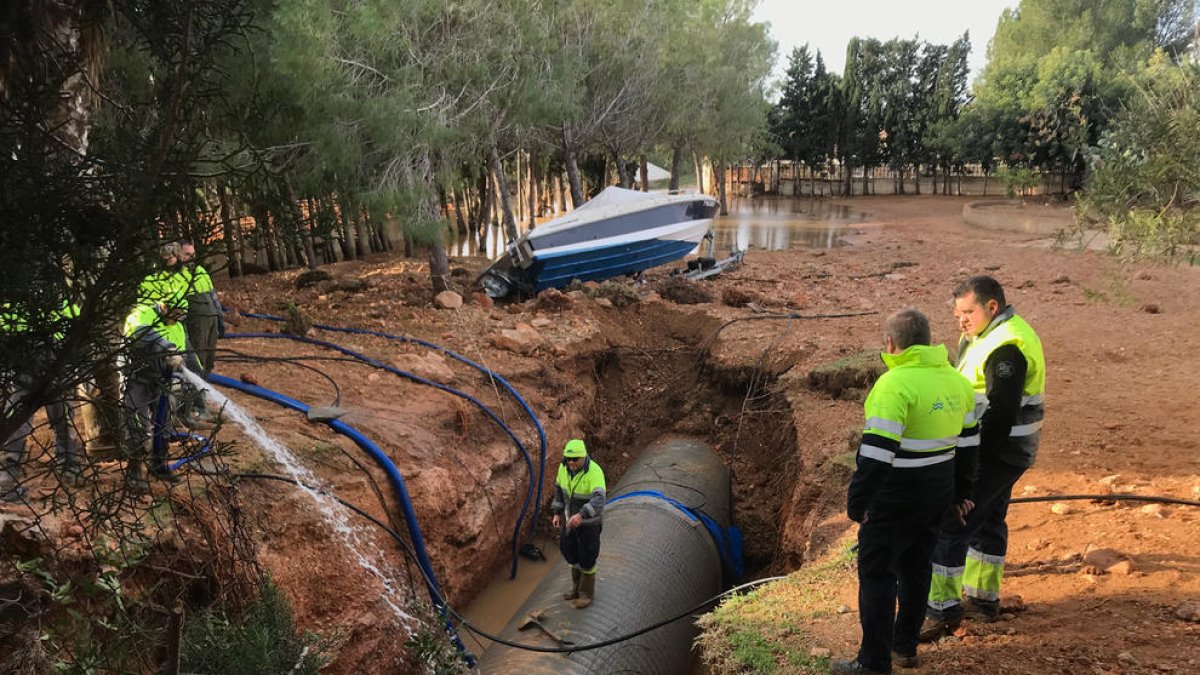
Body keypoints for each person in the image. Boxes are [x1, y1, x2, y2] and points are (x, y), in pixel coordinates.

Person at [833, 308, 979, 674]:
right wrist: (961, 495)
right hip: (937, 494)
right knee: (917, 570)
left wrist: (858, 502)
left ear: (891, 344)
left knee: (878, 574)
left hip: (896, 498)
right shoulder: (957, 382)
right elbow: (969, 447)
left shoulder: (893, 385)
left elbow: (877, 455)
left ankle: (873, 663)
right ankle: (905, 648)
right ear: (930, 341)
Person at [921, 276, 1045, 640]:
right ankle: (983, 599)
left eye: (967, 312)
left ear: (992, 307)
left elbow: (1000, 415)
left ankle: (941, 610)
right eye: (957, 312)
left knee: (954, 521)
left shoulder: (1007, 347)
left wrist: (969, 469)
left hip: (999, 451)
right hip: (1006, 450)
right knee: (989, 519)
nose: (960, 320)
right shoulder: (982, 336)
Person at [1, 300, 84, 501]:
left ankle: (68, 462)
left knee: (64, 416)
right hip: (23, 373)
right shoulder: (15, 302)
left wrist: (72, 365)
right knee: (17, 421)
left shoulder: (65, 304)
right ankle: (9, 468)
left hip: (56, 370)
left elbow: (78, 336)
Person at [121, 301, 191, 491]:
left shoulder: (178, 326)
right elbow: (138, 333)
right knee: (137, 424)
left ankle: (158, 463)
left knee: (164, 422)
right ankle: (134, 472)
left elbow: (185, 354)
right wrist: (166, 346)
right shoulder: (142, 313)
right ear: (164, 306)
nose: (178, 318)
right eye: (175, 313)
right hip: (136, 379)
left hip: (162, 380)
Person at [550, 439, 606, 609]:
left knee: (587, 556)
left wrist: (581, 515)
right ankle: (575, 588)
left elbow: (599, 499)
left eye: (575, 459)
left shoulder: (594, 472)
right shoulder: (563, 468)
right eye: (568, 459)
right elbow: (559, 490)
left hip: (588, 524)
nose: (571, 462)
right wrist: (557, 513)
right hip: (569, 521)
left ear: (584, 457)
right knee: (570, 551)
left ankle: (586, 594)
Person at [177, 240, 225, 376]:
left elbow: (213, 295)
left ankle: (206, 384)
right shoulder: (178, 275)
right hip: (196, 322)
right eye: (187, 254)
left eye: (193, 254)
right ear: (179, 255)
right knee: (198, 358)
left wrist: (220, 317)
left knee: (210, 358)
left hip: (212, 319)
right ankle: (196, 389)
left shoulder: (201, 271)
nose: (191, 257)